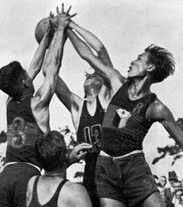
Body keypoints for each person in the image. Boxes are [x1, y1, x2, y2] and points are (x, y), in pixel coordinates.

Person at [67, 23, 183, 206]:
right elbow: (87, 55)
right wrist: (68, 26)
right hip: (105, 167)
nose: (132, 62)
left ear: (149, 68)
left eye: (139, 59)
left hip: (133, 167)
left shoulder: (156, 107)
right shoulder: (116, 82)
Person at [0, 5, 86, 207]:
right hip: (27, 175)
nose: (30, 73)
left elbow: (33, 67)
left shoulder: (10, 102)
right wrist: (60, 30)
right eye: (27, 75)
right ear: (26, 83)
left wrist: (46, 37)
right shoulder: (38, 103)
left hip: (4, 177)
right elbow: (51, 68)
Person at [55, 20, 113, 207]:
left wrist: (70, 28)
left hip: (112, 168)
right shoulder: (78, 108)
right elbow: (53, 79)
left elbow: (100, 53)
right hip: (90, 173)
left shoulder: (107, 100)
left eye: (94, 73)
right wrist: (56, 36)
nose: (90, 75)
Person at [26, 132, 92, 207]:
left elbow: (52, 169)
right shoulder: (76, 192)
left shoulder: (32, 183)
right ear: (65, 154)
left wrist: (67, 160)